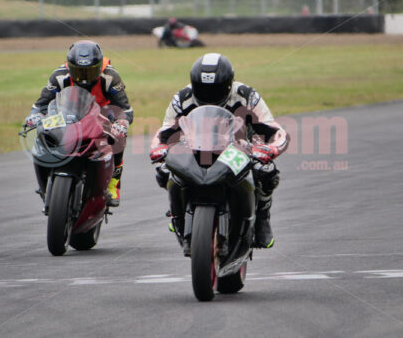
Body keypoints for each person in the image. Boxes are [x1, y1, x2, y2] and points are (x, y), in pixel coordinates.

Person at [149, 53, 289, 252]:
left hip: (237, 149)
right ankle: (176, 212)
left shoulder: (246, 95)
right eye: (203, 89)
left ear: (228, 84)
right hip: (195, 149)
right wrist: (159, 148)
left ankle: (262, 217)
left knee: (266, 172)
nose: (209, 95)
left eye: (215, 89)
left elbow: (273, 129)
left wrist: (270, 148)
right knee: (164, 169)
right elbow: (165, 131)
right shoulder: (183, 98)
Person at [24, 40, 133, 207]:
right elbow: (41, 104)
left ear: (98, 67)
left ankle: (113, 184)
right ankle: (45, 185)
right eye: (79, 71)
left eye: (89, 72)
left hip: (101, 115)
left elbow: (125, 109)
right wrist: (35, 117)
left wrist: (121, 123)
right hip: (67, 114)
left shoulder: (111, 76)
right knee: (42, 136)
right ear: (70, 67)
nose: (84, 78)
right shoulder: (59, 76)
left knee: (119, 139)